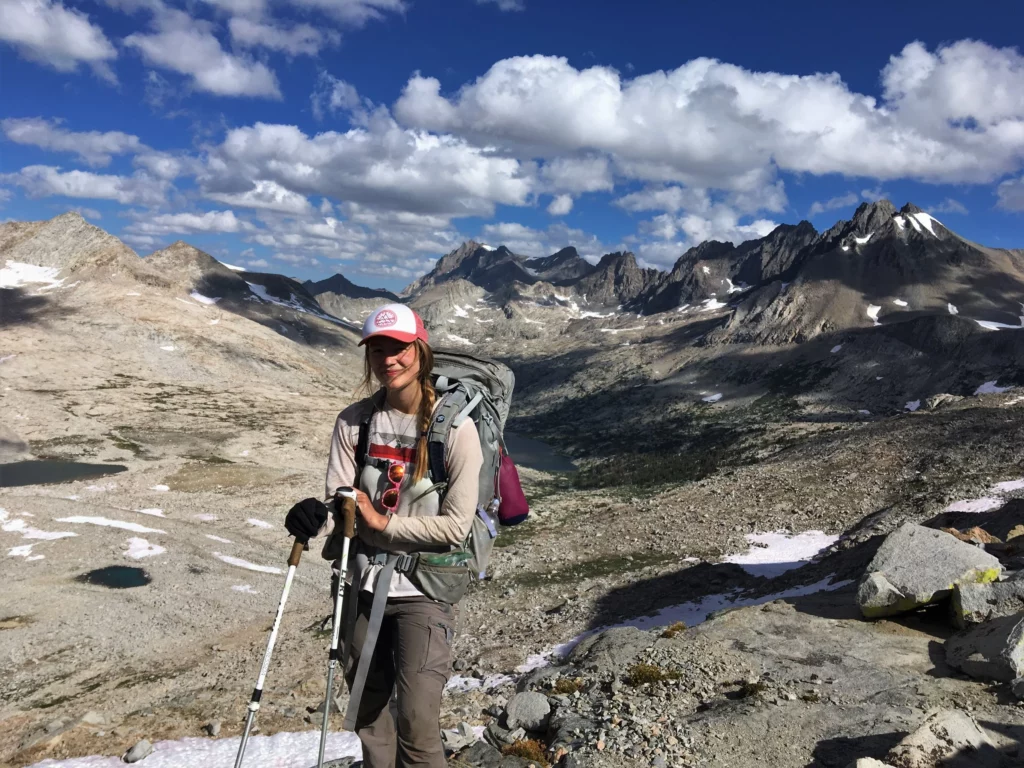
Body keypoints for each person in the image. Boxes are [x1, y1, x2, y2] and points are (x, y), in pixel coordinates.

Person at [285, 303, 482, 768]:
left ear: (420, 352)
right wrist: (315, 516)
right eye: (377, 351)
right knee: (369, 715)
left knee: (416, 720)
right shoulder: (353, 422)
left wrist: (381, 523)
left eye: (398, 349)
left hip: (424, 589)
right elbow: (341, 506)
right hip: (359, 586)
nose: (388, 360)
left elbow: (456, 526)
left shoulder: (455, 429)